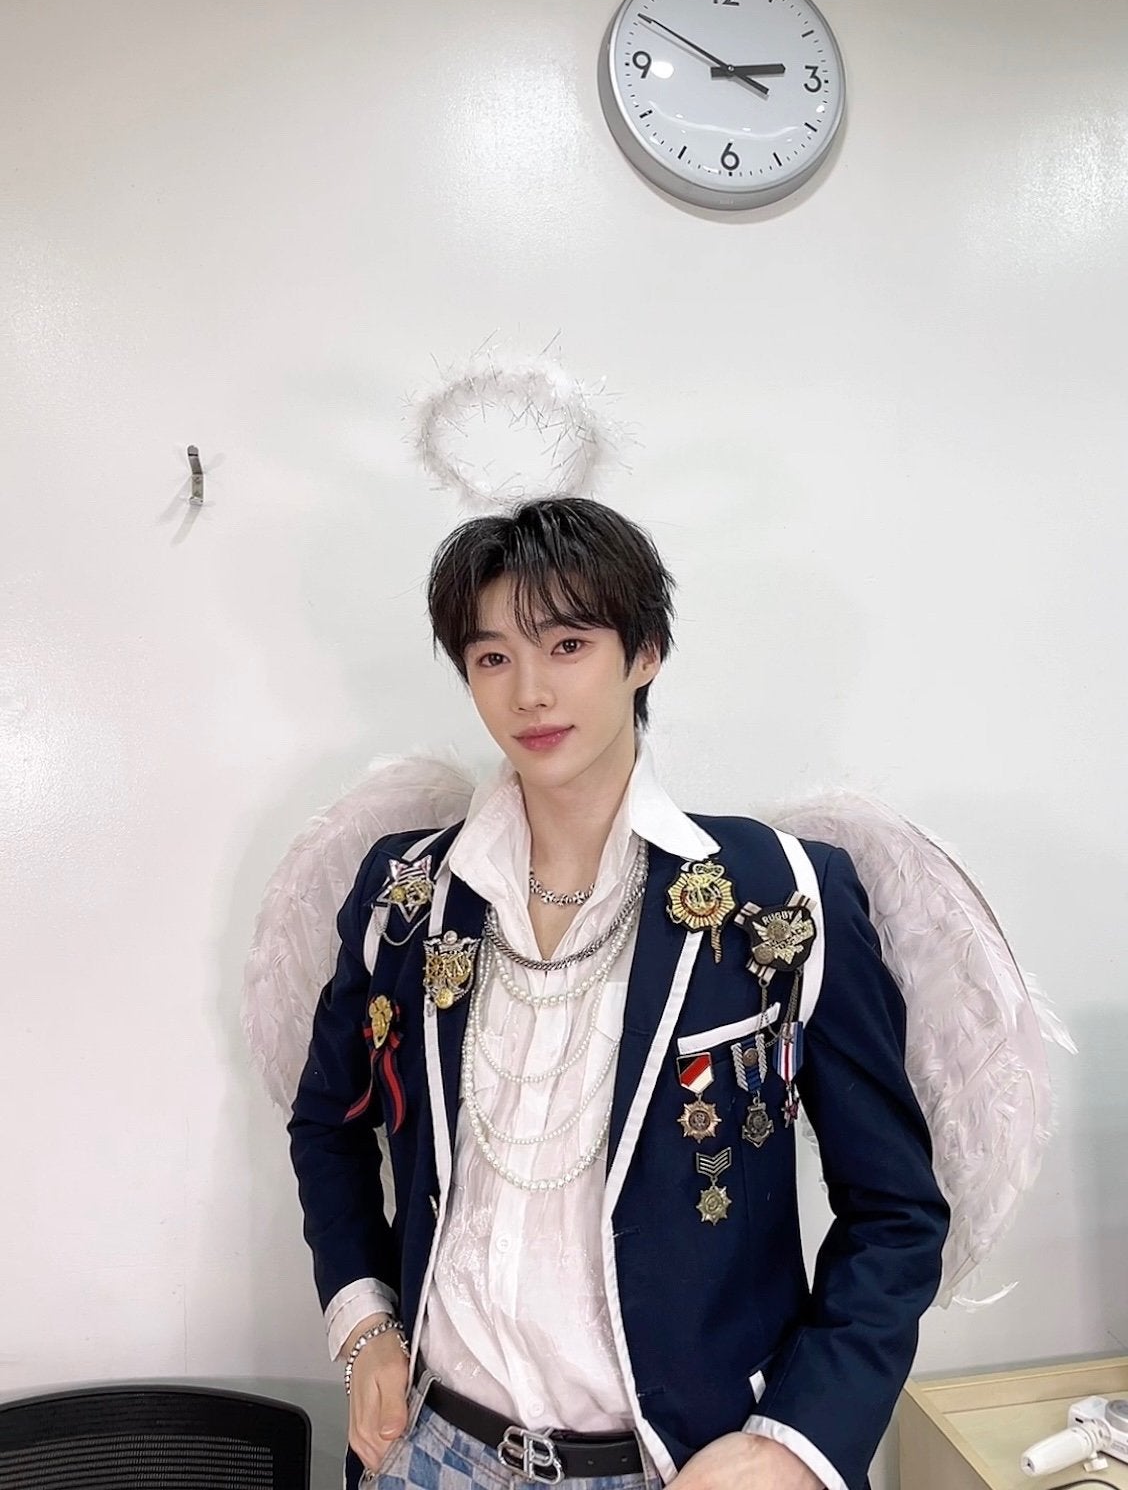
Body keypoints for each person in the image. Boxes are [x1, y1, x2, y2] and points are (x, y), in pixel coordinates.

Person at [288, 498, 949, 1490]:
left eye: (568, 645)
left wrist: (795, 1444)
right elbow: (326, 1122)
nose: (531, 692)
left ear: (644, 653)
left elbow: (895, 1211)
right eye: (493, 657)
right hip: (431, 1450)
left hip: (676, 1466)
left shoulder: (778, 893)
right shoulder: (406, 894)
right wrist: (365, 1325)